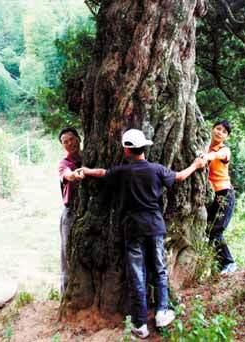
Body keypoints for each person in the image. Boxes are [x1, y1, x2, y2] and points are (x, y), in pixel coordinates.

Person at [78, 128, 206, 339]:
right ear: (145, 147)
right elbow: (181, 176)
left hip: (132, 228)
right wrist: (196, 164)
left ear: (126, 151)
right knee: (159, 269)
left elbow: (102, 173)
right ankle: (162, 313)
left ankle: (139, 324)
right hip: (155, 226)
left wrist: (87, 170)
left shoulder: (121, 172)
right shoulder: (156, 170)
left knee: (137, 275)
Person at [203, 120, 237, 275]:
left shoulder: (224, 150)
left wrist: (209, 156)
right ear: (212, 129)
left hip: (225, 194)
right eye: (218, 128)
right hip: (211, 196)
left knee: (215, 231)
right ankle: (217, 268)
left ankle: (229, 264)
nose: (219, 132)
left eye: (224, 131)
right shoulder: (204, 145)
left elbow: (220, 155)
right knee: (207, 230)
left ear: (227, 136)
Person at [58, 126, 84, 297]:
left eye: (71, 139)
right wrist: (75, 175)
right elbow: (67, 174)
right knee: (67, 254)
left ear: (78, 139)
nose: (69, 143)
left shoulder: (89, 156)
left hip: (89, 212)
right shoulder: (64, 164)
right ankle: (65, 294)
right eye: (65, 142)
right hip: (71, 213)